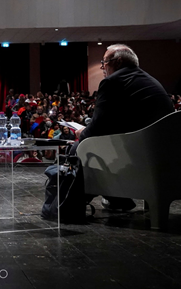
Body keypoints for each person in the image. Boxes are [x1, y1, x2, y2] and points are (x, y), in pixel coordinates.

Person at [72, 44, 174, 211]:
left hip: (139, 157)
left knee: (78, 148)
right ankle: (118, 199)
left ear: (117, 62)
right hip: (163, 153)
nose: (102, 67)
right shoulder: (150, 80)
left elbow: (97, 128)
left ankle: (72, 203)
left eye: (104, 62)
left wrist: (82, 133)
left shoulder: (113, 82)